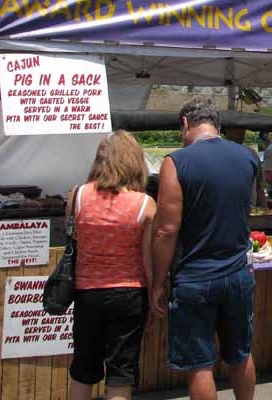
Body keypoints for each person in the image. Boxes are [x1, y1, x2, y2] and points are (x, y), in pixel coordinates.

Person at [152, 97, 258, 400]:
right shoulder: (248, 157)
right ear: (217, 124)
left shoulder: (176, 162)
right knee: (240, 355)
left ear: (186, 123)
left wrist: (158, 282)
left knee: (200, 366)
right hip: (239, 274)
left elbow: (166, 229)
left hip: (195, 278)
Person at [68, 130, 156, 400]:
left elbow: (74, 239)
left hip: (87, 293)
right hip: (129, 294)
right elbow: (147, 261)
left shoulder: (78, 195)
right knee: (120, 376)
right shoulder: (145, 204)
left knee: (82, 370)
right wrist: (153, 298)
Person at [223, 126, 267, 210]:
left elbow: (259, 187)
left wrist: (265, 210)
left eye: (243, 128)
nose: (243, 131)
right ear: (227, 130)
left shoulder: (252, 154)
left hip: (250, 212)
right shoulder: (218, 154)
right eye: (238, 127)